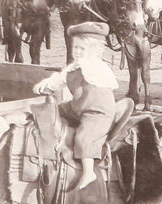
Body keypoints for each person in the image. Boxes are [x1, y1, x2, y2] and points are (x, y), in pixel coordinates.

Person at [33, 21, 133, 192]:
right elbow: (60, 79)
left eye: (82, 49)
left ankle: (88, 172)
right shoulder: (74, 67)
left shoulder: (96, 66)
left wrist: (88, 60)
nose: (77, 52)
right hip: (79, 107)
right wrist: (46, 84)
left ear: (95, 51)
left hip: (97, 112)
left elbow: (89, 74)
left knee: (84, 137)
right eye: (75, 48)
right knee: (55, 111)